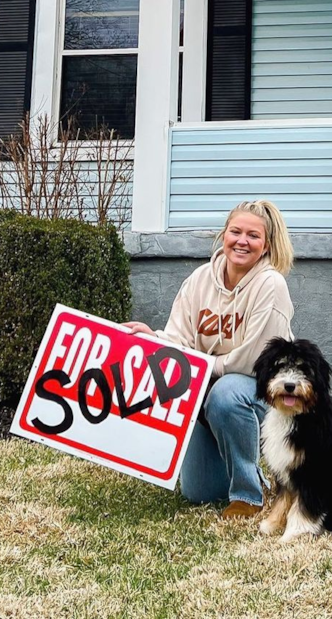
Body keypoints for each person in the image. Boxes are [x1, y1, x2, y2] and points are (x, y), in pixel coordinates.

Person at [125, 199, 294, 518]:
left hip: (263, 395)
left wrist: (198, 369)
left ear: (267, 245)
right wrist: (155, 339)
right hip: (207, 388)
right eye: (236, 231)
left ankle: (249, 493)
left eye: (254, 236)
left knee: (227, 392)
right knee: (199, 492)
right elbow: (180, 338)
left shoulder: (271, 284)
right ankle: (232, 469)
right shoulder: (200, 280)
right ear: (224, 235)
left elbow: (253, 363)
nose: (242, 241)